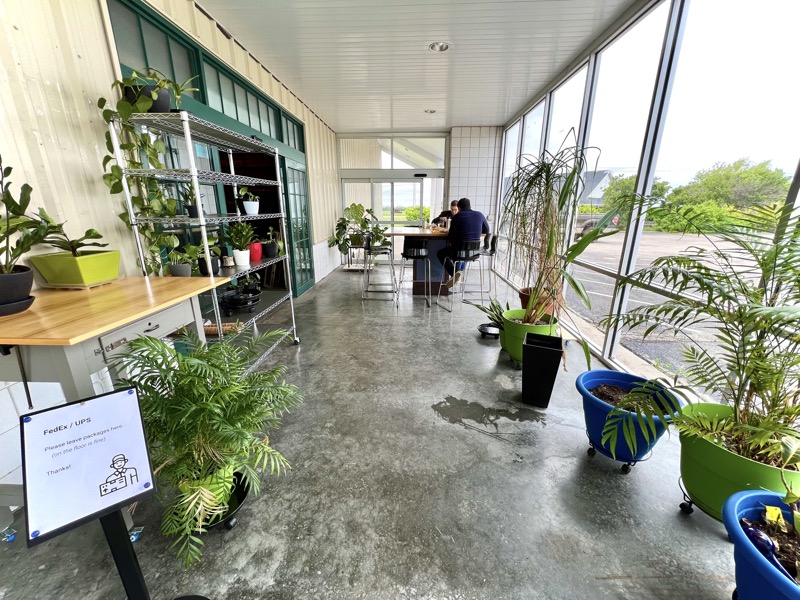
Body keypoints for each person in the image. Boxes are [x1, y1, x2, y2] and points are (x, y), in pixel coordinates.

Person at [436, 197, 490, 288]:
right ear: (470, 206)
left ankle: (455, 273)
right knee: (462, 253)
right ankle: (458, 272)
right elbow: (487, 230)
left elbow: (451, 237)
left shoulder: (457, 216)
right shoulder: (480, 215)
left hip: (459, 251)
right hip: (474, 252)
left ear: (459, 208)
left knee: (440, 253)